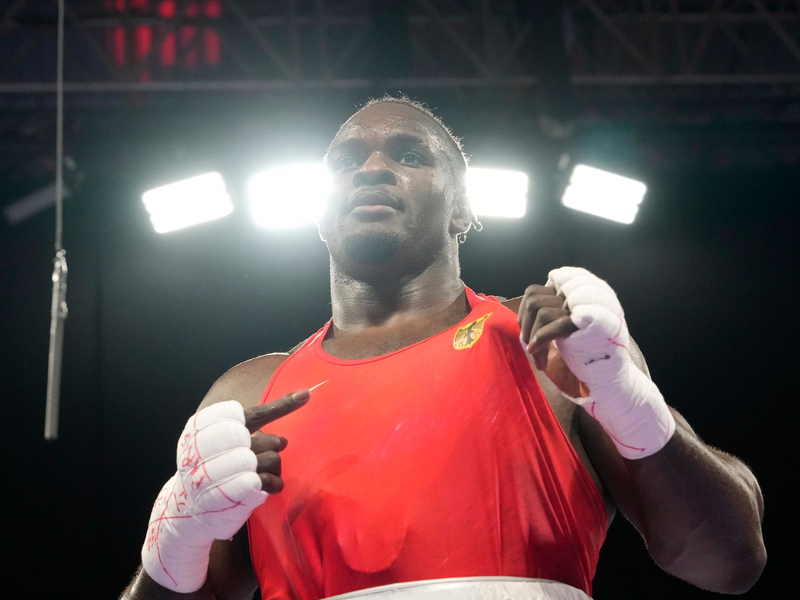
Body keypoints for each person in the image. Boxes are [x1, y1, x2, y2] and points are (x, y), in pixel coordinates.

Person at [121, 96, 766, 600]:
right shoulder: (248, 396)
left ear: (462, 207)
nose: (373, 169)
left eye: (408, 154)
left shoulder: (549, 344)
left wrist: (627, 399)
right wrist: (173, 539)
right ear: (320, 215)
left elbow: (729, 563)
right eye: (347, 162)